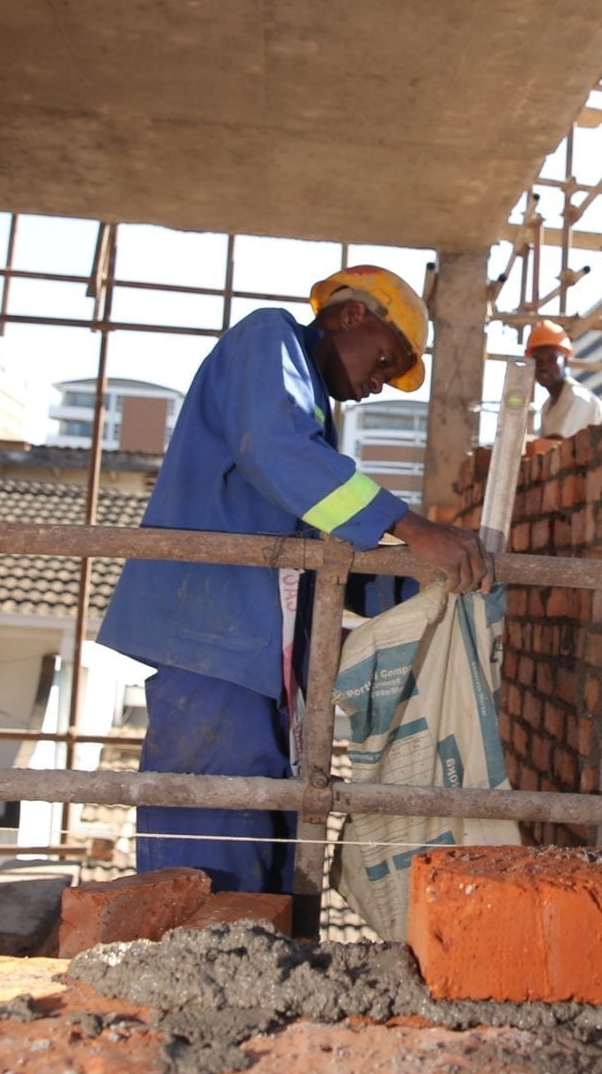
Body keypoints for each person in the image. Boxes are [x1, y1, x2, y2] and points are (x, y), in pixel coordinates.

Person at [97, 265, 490, 894]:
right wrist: (416, 529)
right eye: (385, 362)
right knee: (210, 833)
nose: (374, 387)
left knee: (260, 832)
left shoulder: (309, 419)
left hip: (256, 653)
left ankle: (250, 969)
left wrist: (422, 585)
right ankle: (189, 974)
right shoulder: (269, 339)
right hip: (216, 640)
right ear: (351, 316)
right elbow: (275, 452)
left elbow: (316, 553)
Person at [525, 320, 602, 439]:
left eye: (551, 359)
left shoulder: (577, 397)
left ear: (565, 362)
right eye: (538, 361)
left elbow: (555, 445)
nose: (543, 366)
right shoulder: (547, 405)